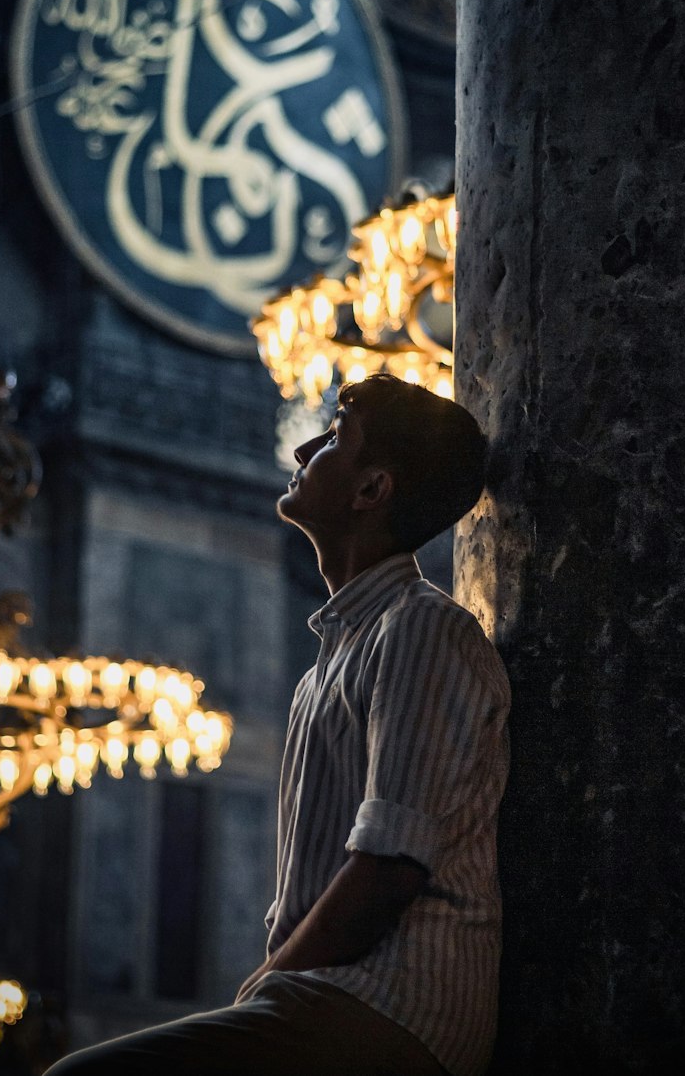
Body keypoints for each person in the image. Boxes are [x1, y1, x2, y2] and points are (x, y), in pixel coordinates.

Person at [46, 374, 511, 1076]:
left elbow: (389, 869)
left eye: (332, 438)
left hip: (394, 1010)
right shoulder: (329, 665)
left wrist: (258, 993)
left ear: (370, 490)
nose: (301, 450)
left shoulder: (422, 629)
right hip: (325, 997)